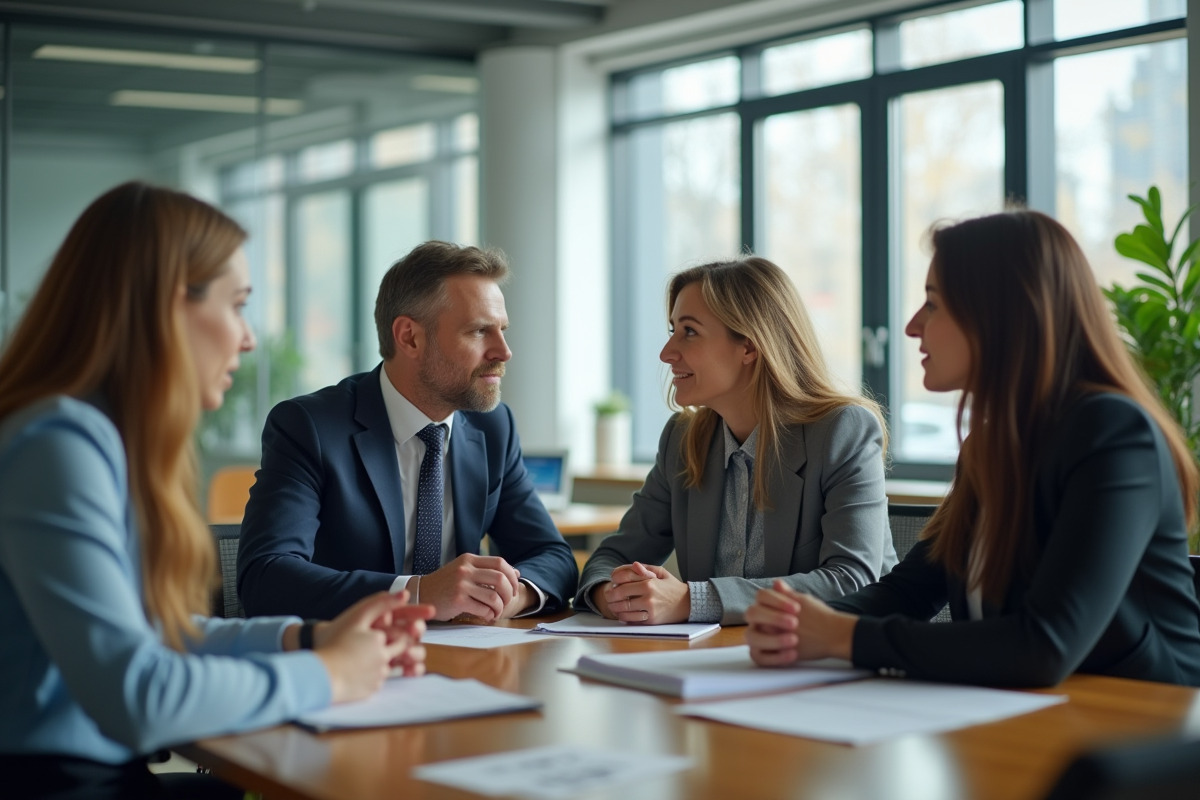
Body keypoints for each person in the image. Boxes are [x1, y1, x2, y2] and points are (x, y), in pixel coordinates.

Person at [0, 181, 433, 799]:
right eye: (236, 305)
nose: (249, 337)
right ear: (166, 308)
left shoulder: (90, 438)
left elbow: (158, 631)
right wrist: (328, 674)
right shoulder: (57, 445)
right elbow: (140, 695)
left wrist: (309, 638)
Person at [746, 209, 1200, 687]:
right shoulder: (991, 445)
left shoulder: (1115, 433)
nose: (912, 327)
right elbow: (910, 591)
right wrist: (799, 622)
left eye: (934, 304)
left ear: (1001, 314)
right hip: (1023, 720)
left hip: (1147, 731)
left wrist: (845, 637)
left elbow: (1044, 645)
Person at [237, 241, 578, 622]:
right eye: (480, 331)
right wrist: (416, 594)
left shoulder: (493, 427)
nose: (504, 351)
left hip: (463, 662)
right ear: (410, 337)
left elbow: (554, 558)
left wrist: (513, 597)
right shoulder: (309, 427)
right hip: (349, 661)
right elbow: (265, 579)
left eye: (502, 330)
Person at [575, 257, 896, 626]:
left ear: (749, 347)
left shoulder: (842, 431)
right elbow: (610, 558)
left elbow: (852, 580)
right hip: (717, 664)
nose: (666, 353)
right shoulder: (682, 440)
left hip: (835, 666)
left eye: (689, 332)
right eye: (672, 330)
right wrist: (615, 594)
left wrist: (693, 601)